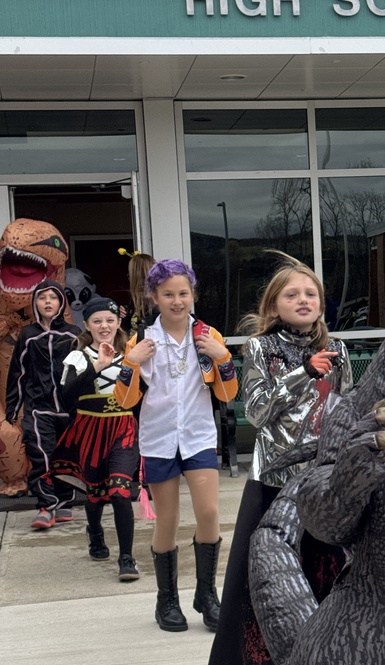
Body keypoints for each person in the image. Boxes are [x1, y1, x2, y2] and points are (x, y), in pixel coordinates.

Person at [204, 253, 353, 665]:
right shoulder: (260, 349)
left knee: (324, 573)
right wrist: (304, 373)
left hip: (323, 478)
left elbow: (344, 407)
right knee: (270, 581)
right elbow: (256, 411)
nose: (303, 299)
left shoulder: (338, 349)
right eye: (293, 294)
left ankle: (325, 662)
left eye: (311, 293)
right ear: (274, 306)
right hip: (275, 480)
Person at [114, 259, 238, 631]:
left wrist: (225, 358)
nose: (177, 300)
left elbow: (227, 391)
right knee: (166, 519)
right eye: (168, 294)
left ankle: (206, 594)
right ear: (154, 297)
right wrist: (130, 363)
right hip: (159, 438)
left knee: (209, 513)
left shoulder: (208, 336)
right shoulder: (143, 340)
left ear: (193, 294)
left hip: (198, 436)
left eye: (183, 293)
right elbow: (123, 400)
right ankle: (166, 600)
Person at [51, 297, 140, 580]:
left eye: (110, 320)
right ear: (87, 324)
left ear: (118, 323)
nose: (104, 326)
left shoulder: (131, 353)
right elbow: (66, 397)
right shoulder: (76, 355)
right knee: (94, 493)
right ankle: (96, 532)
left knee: (120, 492)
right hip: (90, 429)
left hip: (123, 428)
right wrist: (97, 368)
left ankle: (126, 558)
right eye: (97, 321)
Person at [5, 279, 79, 529]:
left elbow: (85, 371)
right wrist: (12, 409)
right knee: (42, 455)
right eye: (42, 297)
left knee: (66, 457)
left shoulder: (73, 333)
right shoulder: (28, 334)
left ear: (61, 302)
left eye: (53, 297)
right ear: (35, 303)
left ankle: (65, 502)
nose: (48, 302)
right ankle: (46, 505)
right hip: (39, 408)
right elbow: (18, 373)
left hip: (68, 409)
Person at [119, 248, 158, 337]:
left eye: (130, 273)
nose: (128, 276)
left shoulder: (156, 304)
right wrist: (124, 314)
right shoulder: (136, 300)